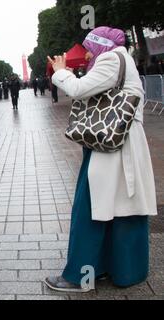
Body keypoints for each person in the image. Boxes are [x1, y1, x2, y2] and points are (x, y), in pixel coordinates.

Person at [45, 27, 157, 292]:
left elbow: (79, 89)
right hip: (119, 143)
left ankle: (80, 276)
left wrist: (61, 71)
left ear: (101, 45)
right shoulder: (123, 59)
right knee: (119, 209)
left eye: (89, 48)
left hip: (114, 148)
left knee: (91, 208)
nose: (86, 54)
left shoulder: (110, 59)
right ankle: (118, 269)